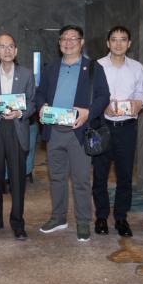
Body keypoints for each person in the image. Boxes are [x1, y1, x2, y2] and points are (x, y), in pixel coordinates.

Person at [35, 25, 110, 241]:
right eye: (64, 39)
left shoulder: (93, 68)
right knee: (56, 177)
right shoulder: (51, 68)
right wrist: (41, 106)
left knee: (81, 179)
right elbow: (40, 94)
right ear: (59, 43)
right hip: (54, 130)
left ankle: (83, 221)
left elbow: (104, 96)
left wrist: (89, 113)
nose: (68, 43)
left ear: (81, 42)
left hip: (79, 130)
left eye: (73, 38)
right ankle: (59, 217)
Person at [0, 33, 36, 240]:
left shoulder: (27, 74)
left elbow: (32, 103)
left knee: (18, 180)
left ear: (16, 50)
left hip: (17, 129)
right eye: (2, 47)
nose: (7, 50)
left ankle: (18, 223)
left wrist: (20, 112)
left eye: (10, 46)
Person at [93, 26, 143, 237]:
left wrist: (138, 104)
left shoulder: (137, 67)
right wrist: (103, 106)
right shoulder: (97, 66)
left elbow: (141, 93)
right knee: (100, 175)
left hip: (127, 128)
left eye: (123, 39)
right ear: (108, 43)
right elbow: (91, 95)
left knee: (125, 176)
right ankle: (101, 217)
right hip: (102, 127)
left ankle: (121, 218)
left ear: (129, 43)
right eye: (114, 39)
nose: (118, 43)